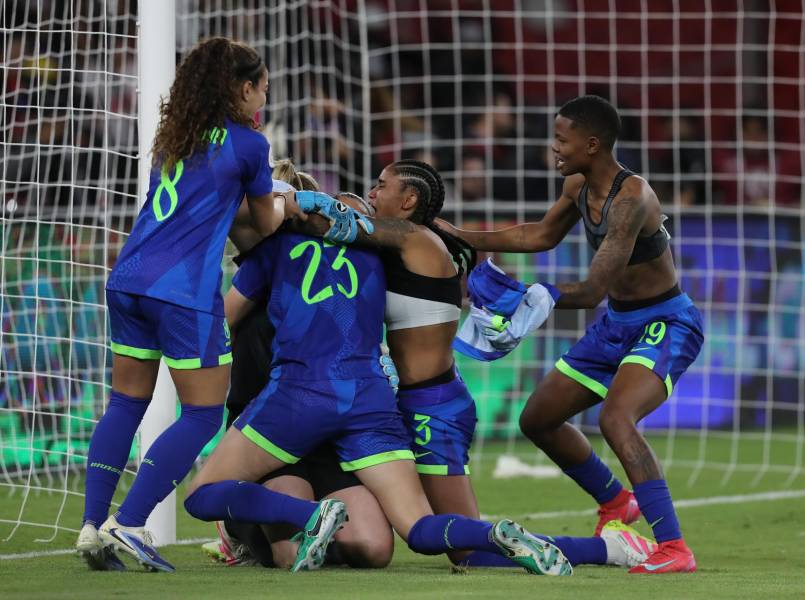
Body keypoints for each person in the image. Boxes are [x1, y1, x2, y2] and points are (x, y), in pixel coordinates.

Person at [183, 188, 572, 576]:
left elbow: (219, 325)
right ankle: (492, 534)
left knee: (200, 494)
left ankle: (309, 516)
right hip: (370, 401)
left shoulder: (276, 248)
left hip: (301, 395)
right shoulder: (383, 258)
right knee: (417, 526)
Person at [298, 159, 656, 571]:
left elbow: (338, 224)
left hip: (432, 409)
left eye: (381, 185)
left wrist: (287, 198)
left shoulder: (415, 238)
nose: (373, 193)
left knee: (468, 551)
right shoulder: (405, 244)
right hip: (405, 402)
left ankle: (609, 549)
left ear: (409, 200)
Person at [437, 95, 704, 574]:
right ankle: (616, 502)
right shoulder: (579, 185)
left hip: (665, 323)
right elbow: (539, 235)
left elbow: (594, 288)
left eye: (562, 139)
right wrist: (463, 236)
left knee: (616, 419)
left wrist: (531, 298)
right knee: (538, 419)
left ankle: (674, 547)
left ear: (593, 144)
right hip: (617, 323)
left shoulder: (632, 198)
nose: (555, 148)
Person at [76, 37, 295, 573]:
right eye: (263, 88)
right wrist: (288, 201)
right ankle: (130, 523)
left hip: (128, 277)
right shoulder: (249, 144)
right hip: (183, 291)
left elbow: (200, 203)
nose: (264, 98)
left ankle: (92, 525)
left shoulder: (174, 135)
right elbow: (264, 224)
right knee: (201, 415)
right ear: (243, 88)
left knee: (125, 404)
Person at [205, 163, 394, 569]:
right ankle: (240, 527)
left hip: (326, 435)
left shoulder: (336, 275)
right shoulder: (255, 281)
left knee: (373, 548)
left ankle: (306, 521)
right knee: (290, 553)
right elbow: (213, 338)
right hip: (267, 434)